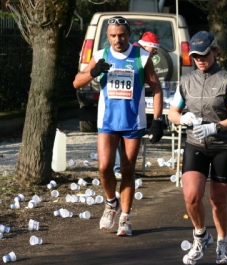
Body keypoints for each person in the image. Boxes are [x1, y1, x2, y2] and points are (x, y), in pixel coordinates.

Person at [72, 16, 164, 236]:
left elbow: (156, 87)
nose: (117, 39)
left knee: (127, 169)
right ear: (107, 36)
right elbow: (76, 81)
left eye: (121, 35)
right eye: (113, 35)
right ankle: (111, 203)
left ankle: (125, 218)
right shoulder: (101, 55)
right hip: (108, 121)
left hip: (133, 122)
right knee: (104, 167)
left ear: (129, 35)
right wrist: (93, 72)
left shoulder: (142, 56)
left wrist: (158, 120)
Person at [168, 31, 227, 264]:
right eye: (195, 56)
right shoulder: (186, 81)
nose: (200, 59)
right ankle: (201, 235)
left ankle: (222, 242)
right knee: (191, 197)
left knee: (218, 200)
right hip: (195, 144)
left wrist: (217, 127)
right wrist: (181, 119)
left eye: (204, 54)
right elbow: (173, 111)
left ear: (215, 51)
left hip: (223, 145)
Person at [114, 31, 161, 179]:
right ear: (146, 47)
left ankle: (123, 168)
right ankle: (119, 168)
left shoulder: (142, 56)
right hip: (120, 105)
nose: (153, 55)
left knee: (122, 137)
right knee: (118, 136)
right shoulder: (139, 56)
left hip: (127, 106)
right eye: (153, 51)